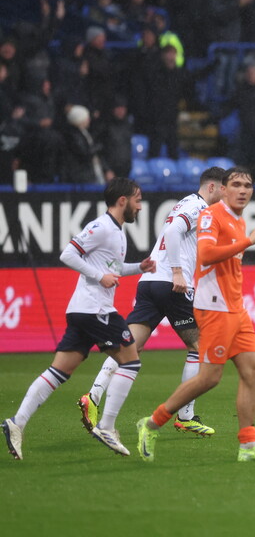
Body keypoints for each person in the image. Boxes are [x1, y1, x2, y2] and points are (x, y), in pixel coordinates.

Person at [135, 167, 255, 462]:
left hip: (235, 307)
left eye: (248, 185)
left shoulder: (237, 220)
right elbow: (206, 254)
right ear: (223, 189)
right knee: (209, 378)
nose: (243, 190)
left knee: (252, 370)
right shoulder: (210, 215)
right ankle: (151, 423)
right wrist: (248, 241)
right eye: (237, 185)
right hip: (214, 307)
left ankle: (248, 446)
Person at [2, 177, 156, 460]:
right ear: (122, 200)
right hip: (95, 310)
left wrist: (139, 267)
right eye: (137, 199)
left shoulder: (116, 231)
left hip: (82, 310)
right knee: (131, 360)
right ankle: (107, 426)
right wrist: (99, 276)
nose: (140, 206)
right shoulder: (101, 227)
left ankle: (16, 424)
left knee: (59, 371)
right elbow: (68, 254)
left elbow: (112, 267)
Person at [79, 167, 226, 439]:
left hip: (149, 283)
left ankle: (94, 395)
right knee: (200, 346)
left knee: (130, 347)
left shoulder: (186, 203)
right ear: (213, 187)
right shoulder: (197, 206)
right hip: (171, 283)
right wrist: (178, 271)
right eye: (225, 190)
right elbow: (172, 233)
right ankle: (186, 416)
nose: (226, 197)